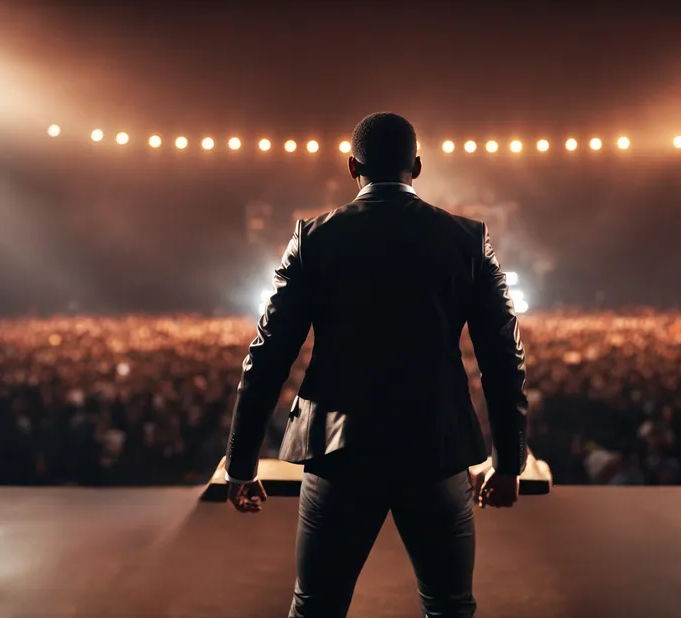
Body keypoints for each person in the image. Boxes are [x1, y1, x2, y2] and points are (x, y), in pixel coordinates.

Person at [224, 111, 529, 617]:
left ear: (351, 167)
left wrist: (240, 463)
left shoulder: (314, 238)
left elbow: (268, 356)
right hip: (435, 446)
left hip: (340, 450)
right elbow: (504, 356)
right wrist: (508, 461)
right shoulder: (466, 239)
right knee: (450, 607)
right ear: (417, 166)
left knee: (316, 607)